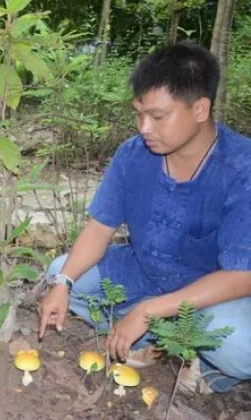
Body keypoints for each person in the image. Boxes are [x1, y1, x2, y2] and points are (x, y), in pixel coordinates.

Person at [38, 42, 251, 394]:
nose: (144, 127)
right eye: (139, 114)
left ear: (200, 109)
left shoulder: (242, 168)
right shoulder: (134, 154)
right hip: (142, 274)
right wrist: (63, 282)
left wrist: (151, 310)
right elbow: (100, 227)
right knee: (61, 274)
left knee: (241, 345)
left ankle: (209, 366)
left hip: (213, 296)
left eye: (158, 115)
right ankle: (157, 338)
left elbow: (244, 275)